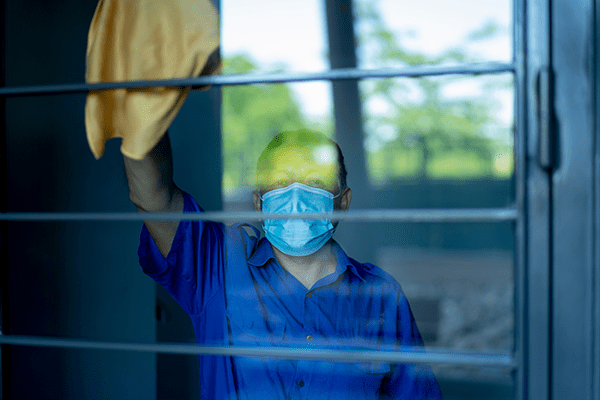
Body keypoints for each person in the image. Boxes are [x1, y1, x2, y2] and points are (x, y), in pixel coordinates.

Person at [125, 128, 443, 399]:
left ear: (343, 202)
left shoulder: (381, 296)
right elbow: (152, 197)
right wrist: (147, 103)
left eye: (315, 181)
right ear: (258, 202)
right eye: (280, 181)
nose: (295, 195)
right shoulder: (219, 261)